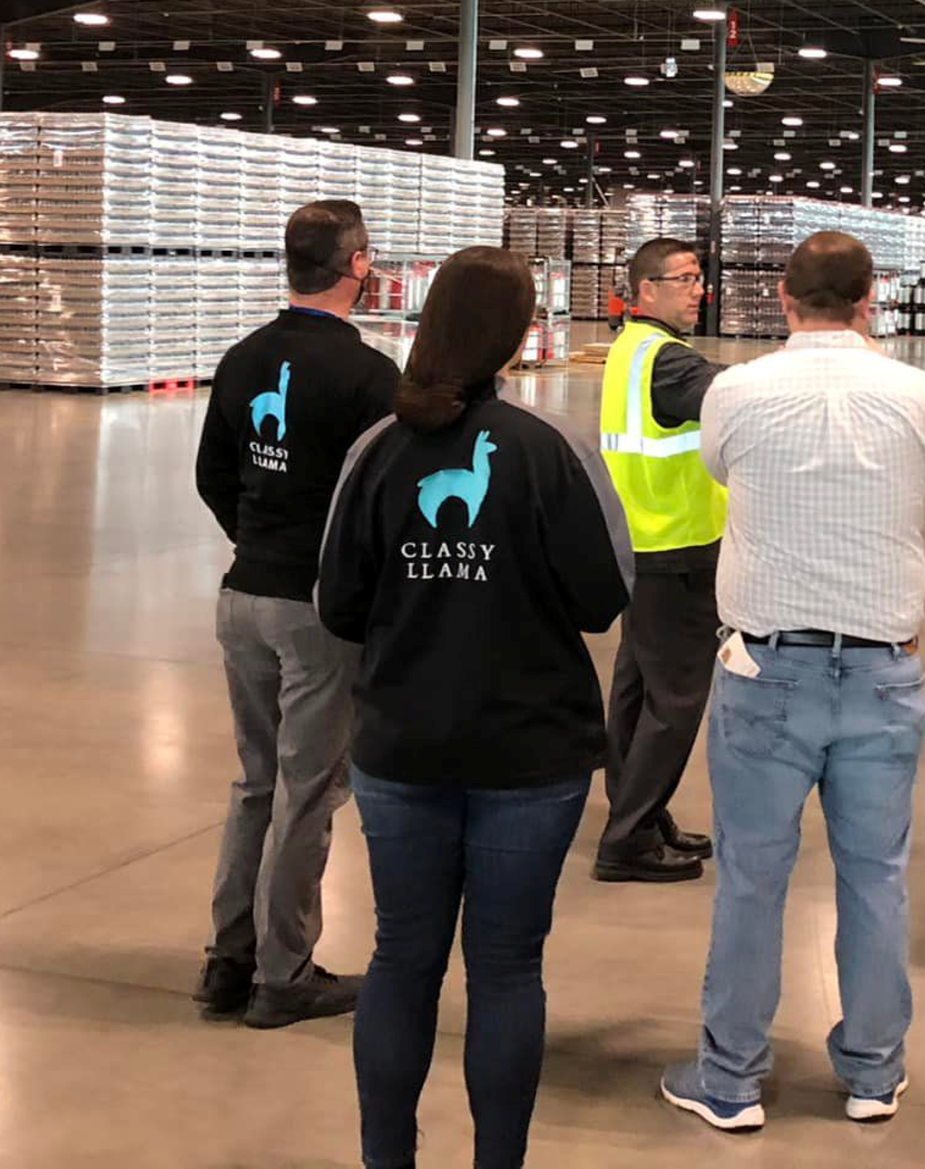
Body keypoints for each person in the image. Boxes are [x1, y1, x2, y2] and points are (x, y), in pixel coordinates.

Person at [317, 246, 633, 1169]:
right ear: (513, 335)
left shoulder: (375, 453)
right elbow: (601, 598)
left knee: (400, 960)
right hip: (530, 759)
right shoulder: (550, 451)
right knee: (506, 969)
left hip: (402, 747)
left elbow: (337, 605)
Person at [658, 232, 925, 1132]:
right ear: (870, 299)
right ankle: (874, 1067)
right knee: (875, 876)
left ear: (783, 301)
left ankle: (730, 1078)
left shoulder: (737, 389)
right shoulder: (914, 392)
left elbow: (719, 465)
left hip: (766, 668)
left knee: (752, 880)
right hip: (882, 670)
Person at [192, 198, 400, 1030]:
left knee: (255, 782)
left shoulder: (243, 357)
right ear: (356, 266)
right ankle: (283, 973)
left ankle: (228, 957)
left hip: (241, 595)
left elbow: (214, 474)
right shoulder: (371, 375)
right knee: (308, 790)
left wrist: (261, 541)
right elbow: (386, 499)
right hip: (316, 609)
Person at [596, 236, 729, 883]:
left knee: (636, 691)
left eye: (699, 277)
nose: (696, 288)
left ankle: (637, 815)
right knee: (675, 700)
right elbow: (739, 400)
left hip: (637, 548)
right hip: (674, 550)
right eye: (682, 278)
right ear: (645, 289)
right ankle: (628, 839)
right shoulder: (669, 363)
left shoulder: (629, 348)